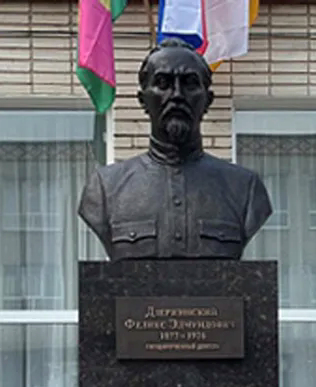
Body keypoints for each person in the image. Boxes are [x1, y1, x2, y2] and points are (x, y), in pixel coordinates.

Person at [77, 37, 273, 260]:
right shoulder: (105, 188)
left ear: (207, 100)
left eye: (189, 84)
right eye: (163, 83)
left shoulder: (244, 188)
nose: (177, 95)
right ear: (142, 100)